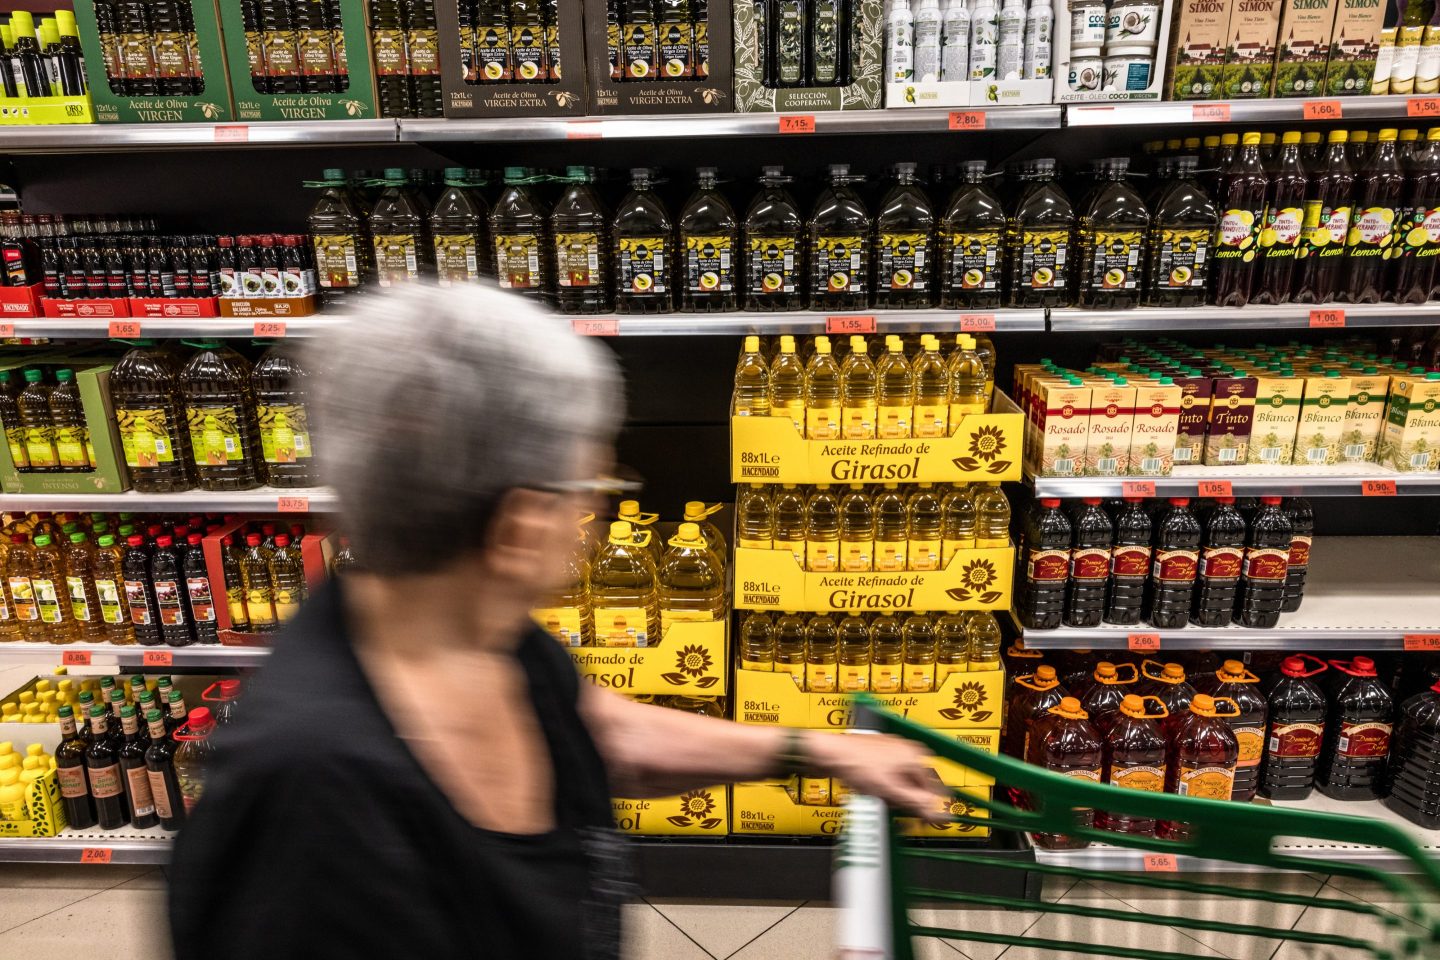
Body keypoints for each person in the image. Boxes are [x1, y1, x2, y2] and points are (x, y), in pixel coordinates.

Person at [168, 284, 946, 960]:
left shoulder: (484, 634)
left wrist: (823, 752)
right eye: (594, 481)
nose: (601, 509)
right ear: (520, 526)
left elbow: (599, 733)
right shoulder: (314, 799)